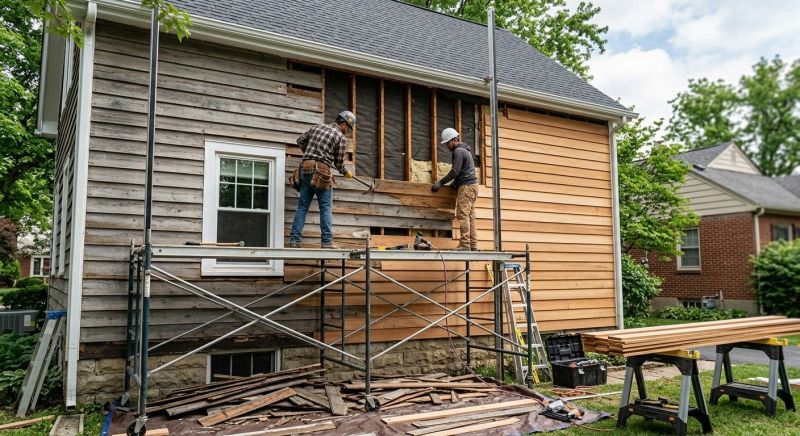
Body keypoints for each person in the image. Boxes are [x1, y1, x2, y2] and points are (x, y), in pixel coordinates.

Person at [289, 111, 356, 249]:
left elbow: (300, 140)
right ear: (344, 124)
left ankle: (294, 240)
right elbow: (338, 163)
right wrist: (345, 172)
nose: (347, 132)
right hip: (321, 172)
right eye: (349, 129)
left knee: (302, 207)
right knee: (325, 207)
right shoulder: (340, 137)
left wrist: (310, 154)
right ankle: (326, 242)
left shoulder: (317, 127)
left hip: (305, 169)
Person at [431, 128, 479, 251]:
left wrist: (440, 183)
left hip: (466, 187)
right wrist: (455, 183)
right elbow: (463, 170)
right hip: (473, 186)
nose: (447, 146)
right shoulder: (465, 151)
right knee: (470, 216)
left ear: (453, 140)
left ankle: (465, 245)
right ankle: (473, 245)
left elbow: (455, 171)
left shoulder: (458, 151)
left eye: (447, 143)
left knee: (463, 215)